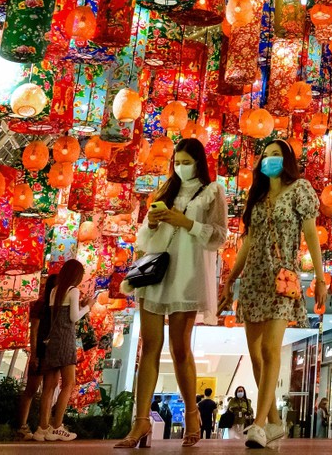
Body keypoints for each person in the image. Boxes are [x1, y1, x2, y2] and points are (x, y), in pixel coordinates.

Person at [116, 138, 229, 449]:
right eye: (177, 161)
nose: (181, 167)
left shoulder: (213, 191)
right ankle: (140, 422)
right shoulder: (165, 189)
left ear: (199, 162)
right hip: (156, 273)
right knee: (149, 346)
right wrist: (152, 222)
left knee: (181, 348)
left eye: (186, 161)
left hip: (187, 275)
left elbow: (219, 236)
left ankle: (192, 417)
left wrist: (188, 223)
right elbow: (143, 238)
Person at [218, 139, 327, 448]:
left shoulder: (300, 190)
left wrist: (320, 279)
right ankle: (276, 422)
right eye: (265, 156)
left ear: (287, 159)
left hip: (283, 277)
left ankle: (258, 424)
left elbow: (311, 235)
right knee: (254, 354)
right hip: (253, 278)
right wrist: (230, 279)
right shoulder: (258, 196)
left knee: (270, 349)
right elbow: (248, 243)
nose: (269, 160)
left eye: (276, 155)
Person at [33, 259, 92, 442]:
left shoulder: (54, 291)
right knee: (68, 383)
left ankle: (42, 428)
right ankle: (57, 426)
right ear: (77, 276)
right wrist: (87, 306)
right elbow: (74, 317)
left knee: (49, 386)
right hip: (66, 341)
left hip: (52, 341)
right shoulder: (73, 290)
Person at [15, 274, 57, 440]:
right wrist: (34, 354)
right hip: (41, 351)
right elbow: (34, 331)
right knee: (32, 389)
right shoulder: (42, 305)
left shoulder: (57, 306)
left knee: (48, 389)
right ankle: (22, 426)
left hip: (52, 352)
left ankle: (43, 426)